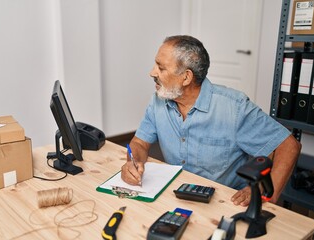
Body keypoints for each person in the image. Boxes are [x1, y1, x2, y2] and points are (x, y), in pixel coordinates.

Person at [121, 35, 301, 206]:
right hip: (175, 193)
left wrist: (264, 193)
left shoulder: (234, 107)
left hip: (226, 202)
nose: (152, 73)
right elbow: (140, 143)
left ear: (186, 77)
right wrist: (133, 161)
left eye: (161, 68)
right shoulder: (158, 101)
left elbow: (289, 146)